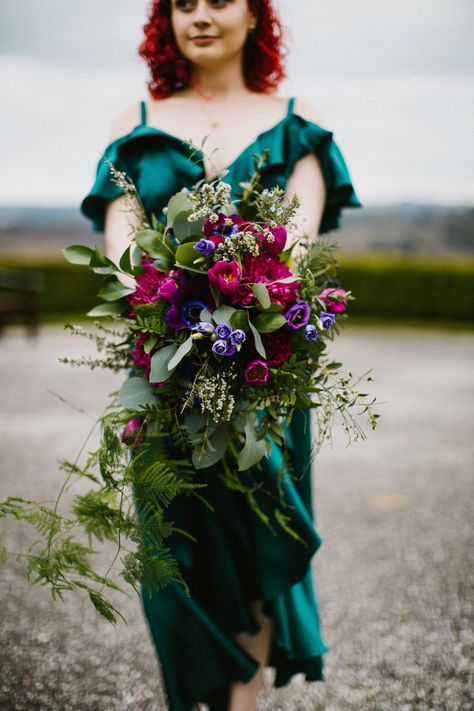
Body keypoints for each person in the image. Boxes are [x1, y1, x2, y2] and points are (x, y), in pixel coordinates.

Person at [80, 1, 362, 709]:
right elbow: (121, 246)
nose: (199, 14)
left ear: (255, 14)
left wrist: (235, 317)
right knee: (172, 552)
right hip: (162, 371)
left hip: (263, 369)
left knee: (256, 544)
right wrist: (155, 311)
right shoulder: (135, 122)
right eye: (182, 2)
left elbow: (292, 248)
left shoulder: (297, 120)